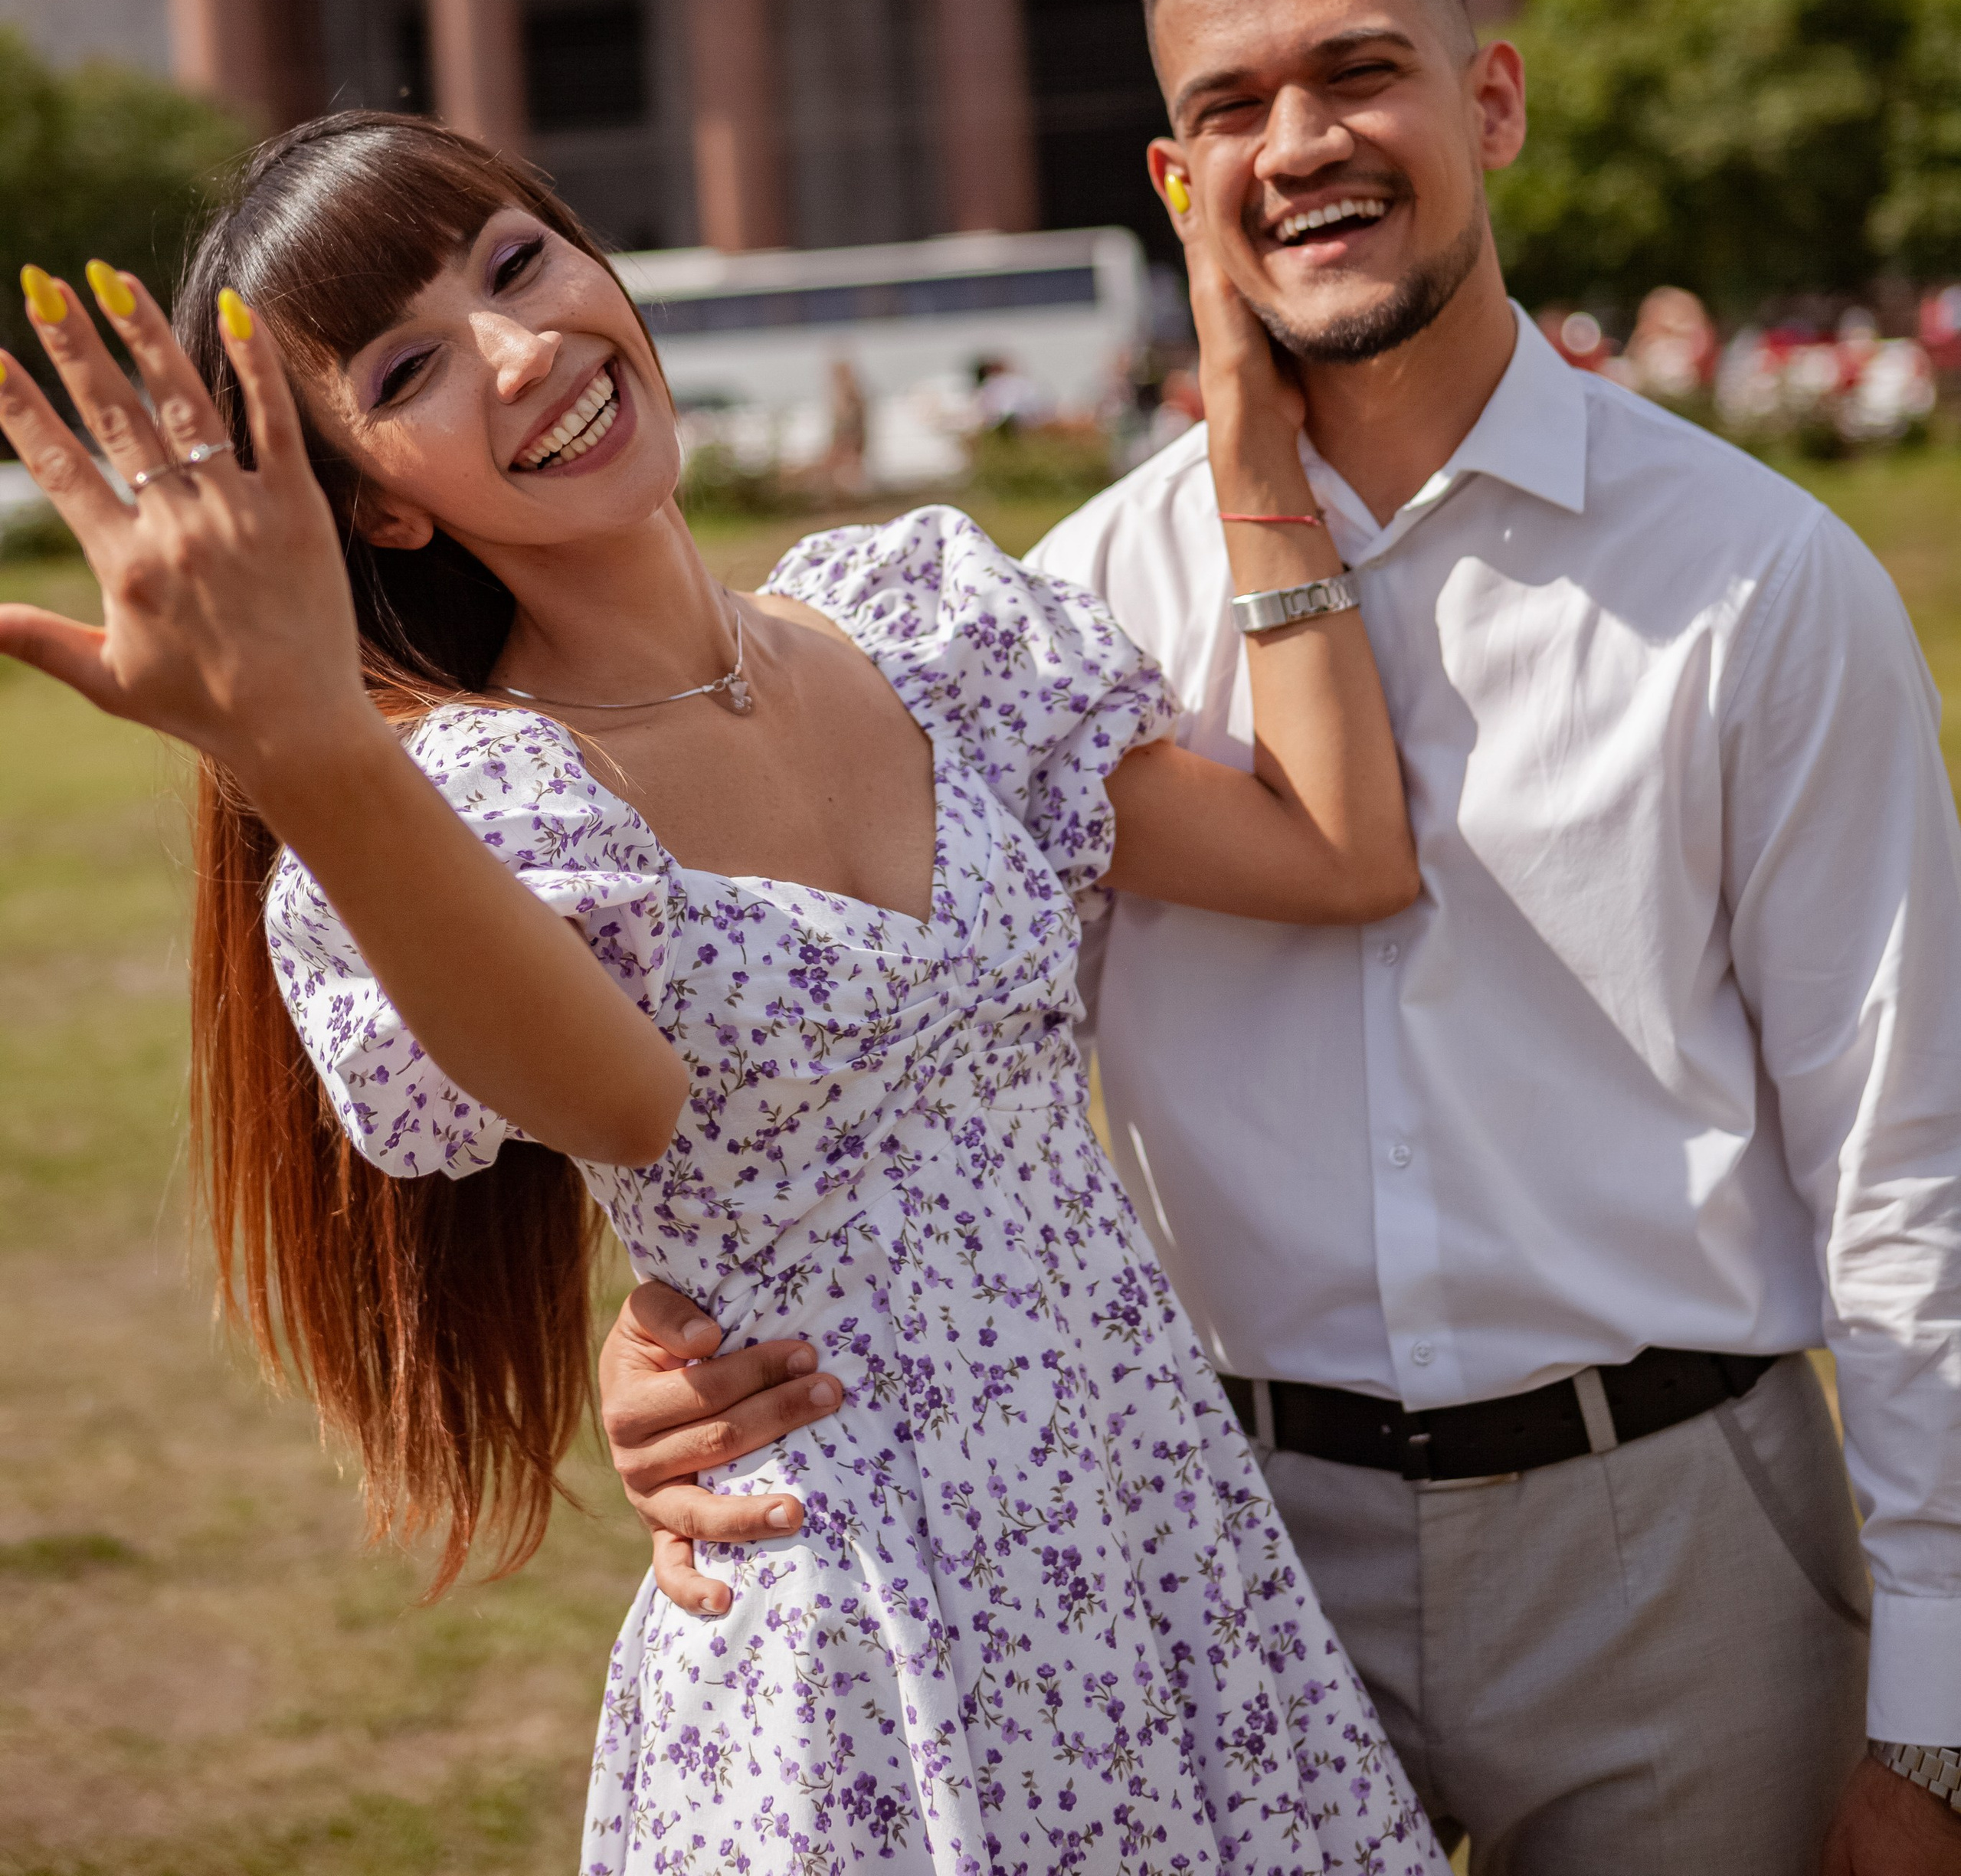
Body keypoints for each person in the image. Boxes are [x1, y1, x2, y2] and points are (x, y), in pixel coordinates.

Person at [600, 0, 1961, 1876]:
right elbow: (899, 1077)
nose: (1300, 142)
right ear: (1176, 181)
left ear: (1489, 101)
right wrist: (672, 1350)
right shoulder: (1064, 623)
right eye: (1231, 106)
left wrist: (1936, 1718)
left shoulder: (1758, 583)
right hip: (1200, 1531)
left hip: (1676, 1535)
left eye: (1360, 71)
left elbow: (1909, 1161)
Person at [0, 111, 1444, 1876]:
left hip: (1154, 1561)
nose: (518, 350)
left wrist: (1250, 438)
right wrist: (307, 748)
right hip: (861, 1643)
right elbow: (615, 1099)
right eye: (408, 367)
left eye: (517, 262)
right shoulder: (476, 800)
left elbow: (1336, 855)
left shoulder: (918, 634)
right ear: (374, 499)